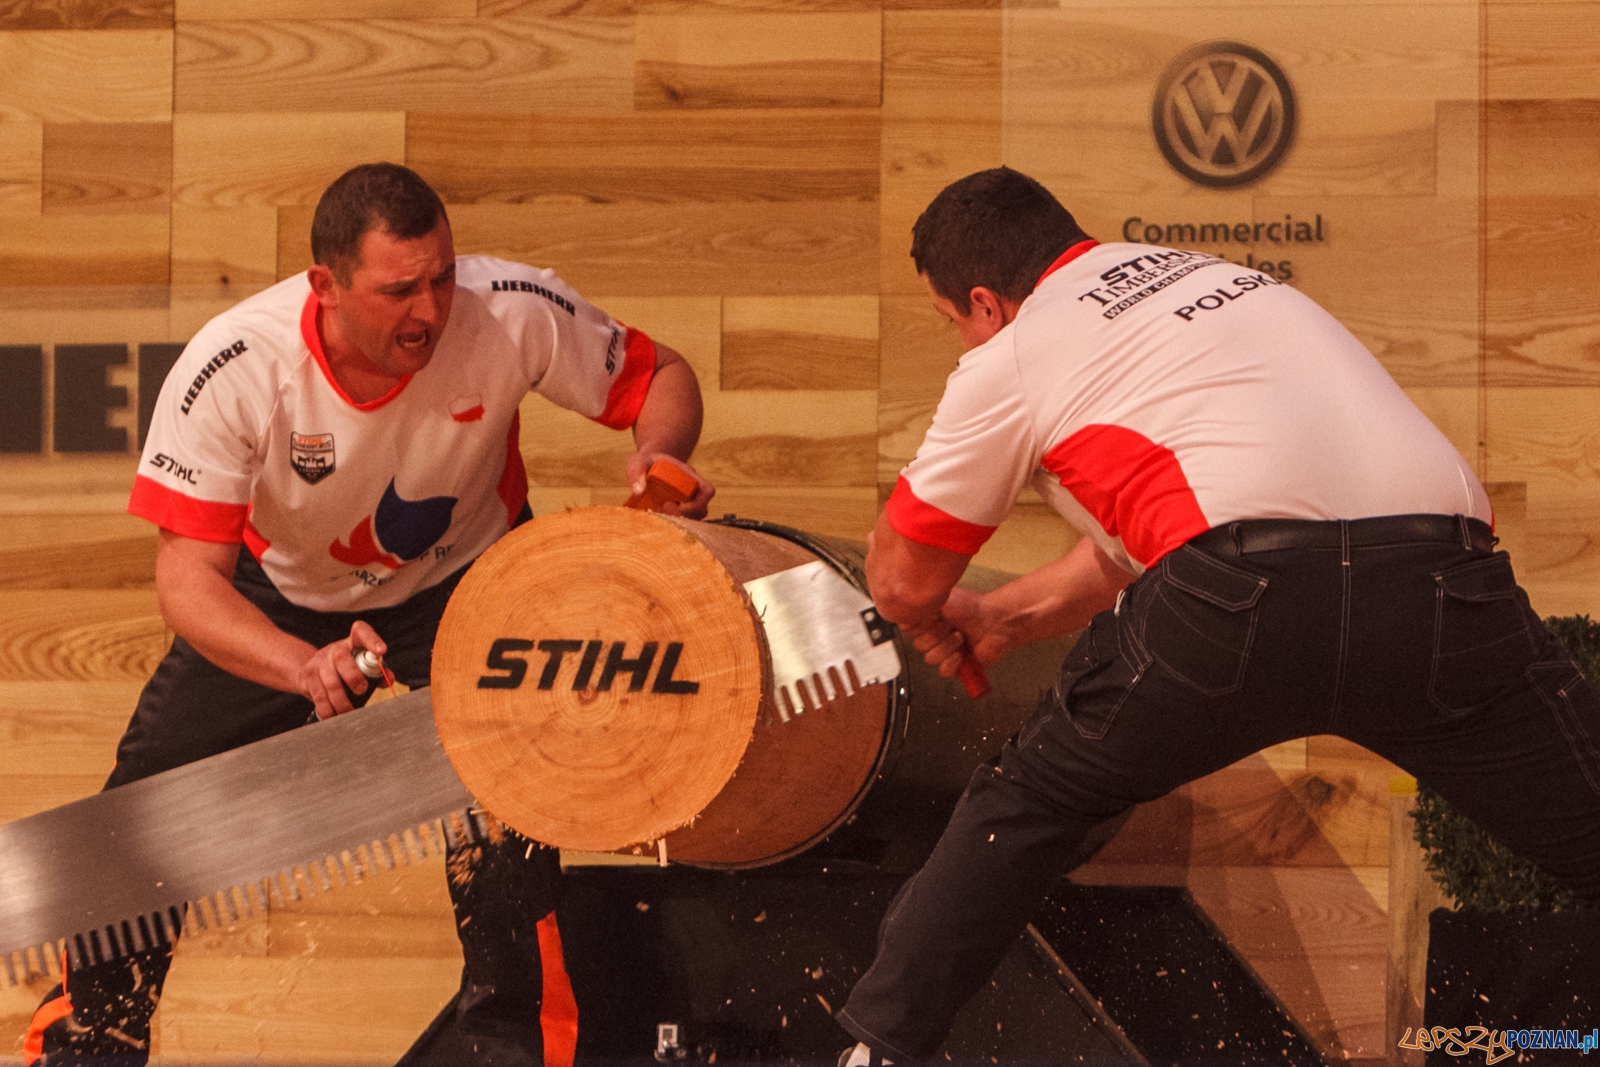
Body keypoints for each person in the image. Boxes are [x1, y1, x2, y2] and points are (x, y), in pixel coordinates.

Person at [835, 167, 1600, 1063]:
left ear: (982, 302)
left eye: (952, 322)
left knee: (1027, 801)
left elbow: (901, 581)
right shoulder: (1224, 281)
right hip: (1443, 588)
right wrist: (1003, 618)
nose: (963, 341)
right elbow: (1163, 532)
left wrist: (919, 595)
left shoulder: (1017, 350)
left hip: (1237, 605)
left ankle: (878, 1053)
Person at [25, 162, 714, 1067]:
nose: (430, 310)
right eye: (398, 291)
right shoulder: (235, 365)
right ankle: (89, 1042)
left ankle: (513, 1045)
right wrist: (300, 665)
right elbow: (187, 583)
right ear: (326, 284)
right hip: (285, 597)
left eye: (442, 277)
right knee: (138, 815)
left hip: (471, 580)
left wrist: (660, 451)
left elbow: (662, 375)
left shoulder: (510, 308)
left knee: (510, 821)